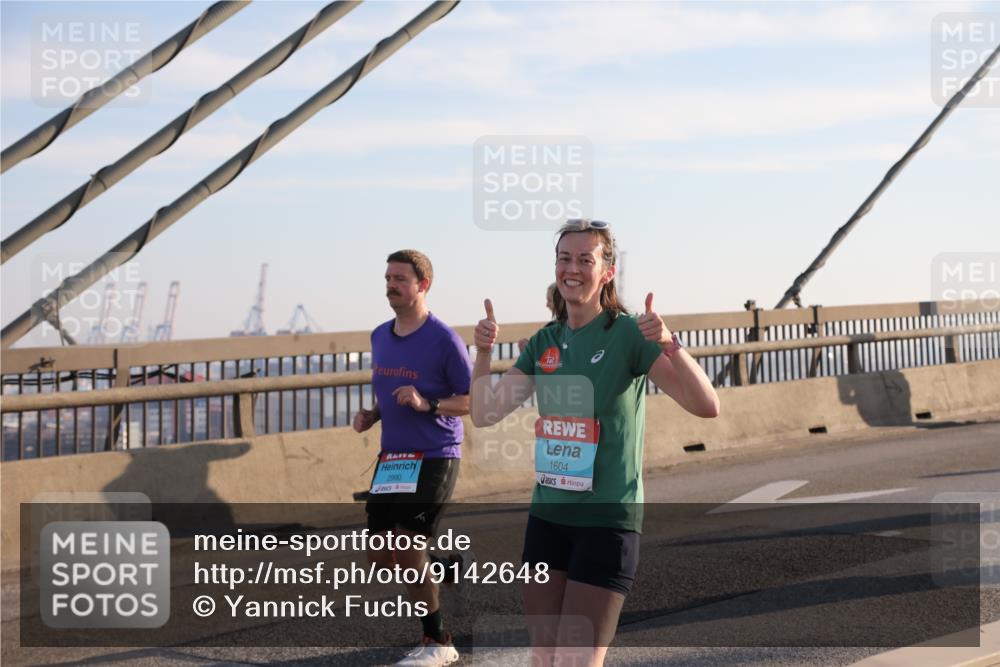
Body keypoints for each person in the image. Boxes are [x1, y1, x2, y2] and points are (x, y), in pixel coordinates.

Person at [470, 219, 720, 667]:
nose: (573, 268)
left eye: (586, 259)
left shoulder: (627, 334)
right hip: (548, 516)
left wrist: (669, 344)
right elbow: (486, 412)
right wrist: (484, 355)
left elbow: (706, 406)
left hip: (607, 518)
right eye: (565, 258)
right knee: (544, 659)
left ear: (606, 272)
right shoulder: (544, 342)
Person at [353, 249, 472, 667]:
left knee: (405, 546)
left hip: (436, 454)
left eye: (400, 278)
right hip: (393, 458)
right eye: (388, 277)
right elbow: (390, 391)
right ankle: (442, 564)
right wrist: (374, 414)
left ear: (423, 285)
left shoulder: (444, 340)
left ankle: (438, 641)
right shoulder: (379, 336)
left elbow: (471, 400)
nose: (391, 285)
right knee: (381, 557)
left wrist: (428, 403)